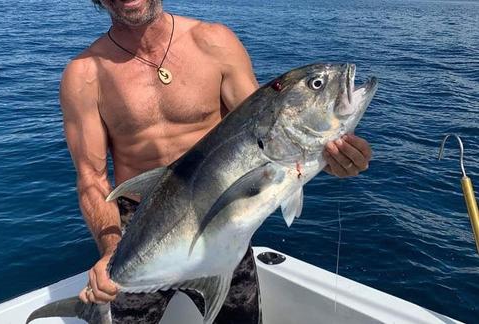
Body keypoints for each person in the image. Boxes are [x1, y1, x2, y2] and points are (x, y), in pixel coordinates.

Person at [61, 0, 372, 322]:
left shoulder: (214, 42)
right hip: (137, 227)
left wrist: (332, 157)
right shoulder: (84, 75)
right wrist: (112, 249)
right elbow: (91, 177)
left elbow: (265, 132)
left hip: (223, 218)